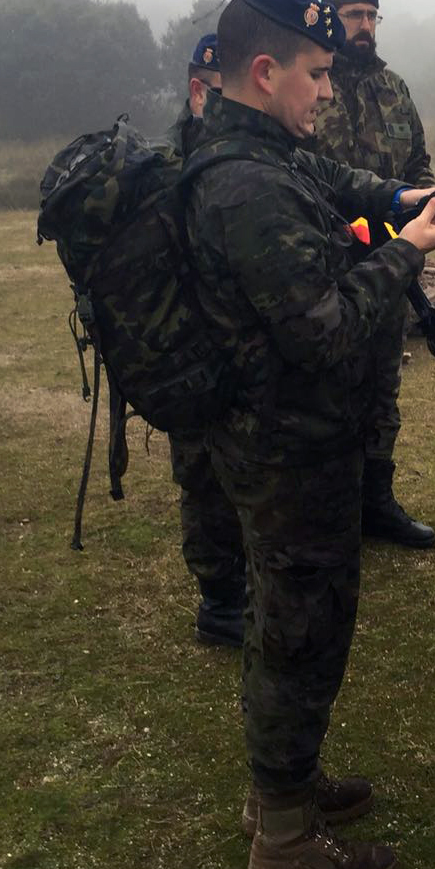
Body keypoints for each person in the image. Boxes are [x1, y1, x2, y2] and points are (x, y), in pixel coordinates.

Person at [181, 0, 435, 869]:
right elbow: (325, 329)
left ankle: (284, 791)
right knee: (300, 633)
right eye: (316, 74)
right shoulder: (245, 185)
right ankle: (287, 847)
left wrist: (403, 194)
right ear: (266, 72)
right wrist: (408, 251)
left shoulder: (266, 150)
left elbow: (339, 180)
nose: (330, 91)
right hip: (285, 448)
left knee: (287, 621)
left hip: (295, 440)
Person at [310, 0, 435, 548]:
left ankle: (376, 501)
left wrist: (431, 209)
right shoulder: (311, 83)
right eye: (355, 14)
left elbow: (419, 164)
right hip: (324, 269)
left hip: (392, 262)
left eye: (372, 16)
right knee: (326, 387)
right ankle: (327, 509)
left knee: (383, 385)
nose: (364, 26)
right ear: (331, 16)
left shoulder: (395, 88)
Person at [156, 34, 246, 645]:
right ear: (198, 91)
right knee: (203, 474)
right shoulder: (169, 167)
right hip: (191, 347)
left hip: (239, 342)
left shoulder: (237, 153)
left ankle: (248, 587)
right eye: (223, 94)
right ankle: (219, 602)